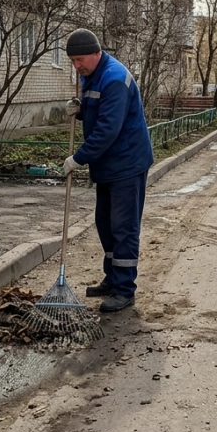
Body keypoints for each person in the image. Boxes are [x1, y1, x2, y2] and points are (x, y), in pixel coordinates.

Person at [62, 29, 154, 313]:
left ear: (95, 53)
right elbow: (97, 110)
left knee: (123, 228)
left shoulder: (114, 78)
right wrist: (80, 109)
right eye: (73, 61)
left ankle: (125, 289)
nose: (77, 66)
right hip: (109, 165)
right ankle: (112, 278)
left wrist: (78, 158)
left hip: (126, 163)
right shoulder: (93, 74)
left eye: (80, 60)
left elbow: (107, 130)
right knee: (105, 224)